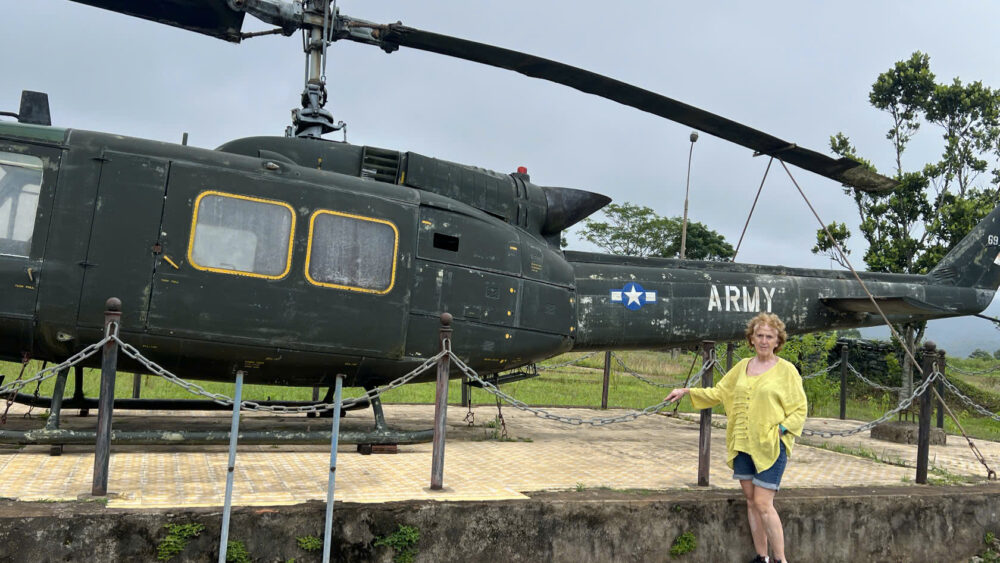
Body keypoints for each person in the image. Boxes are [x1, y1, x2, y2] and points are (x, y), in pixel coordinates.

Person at [664, 313, 807, 563]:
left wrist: (781, 430)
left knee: (764, 503)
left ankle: (781, 559)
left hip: (770, 446)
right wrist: (686, 391)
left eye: (769, 336)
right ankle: (761, 557)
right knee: (751, 502)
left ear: (777, 341)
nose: (763, 340)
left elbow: (799, 409)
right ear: (751, 339)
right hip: (742, 444)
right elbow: (720, 391)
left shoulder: (787, 371)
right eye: (759, 335)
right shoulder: (742, 366)